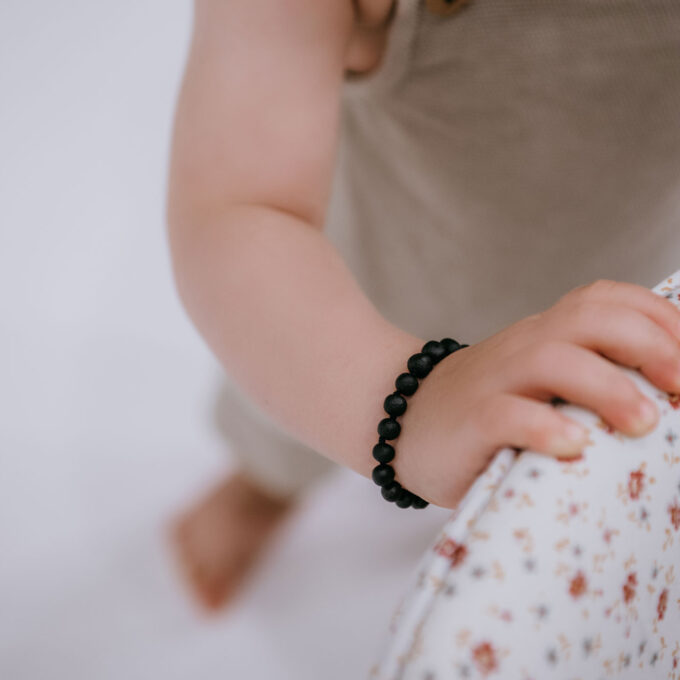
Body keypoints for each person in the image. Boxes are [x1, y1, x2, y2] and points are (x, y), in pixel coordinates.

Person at [165, 0, 680, 611]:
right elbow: (237, 208)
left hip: (621, 277)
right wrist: (409, 406)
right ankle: (265, 487)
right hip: (357, 313)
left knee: (559, 441)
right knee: (286, 426)